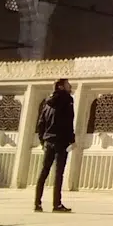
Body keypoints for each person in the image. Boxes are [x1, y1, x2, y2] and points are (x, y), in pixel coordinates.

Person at [34, 78, 75, 213]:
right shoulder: (67, 101)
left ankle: (37, 203)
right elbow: (68, 123)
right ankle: (56, 204)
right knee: (58, 173)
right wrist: (71, 140)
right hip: (61, 142)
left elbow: (41, 124)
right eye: (67, 84)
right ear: (61, 87)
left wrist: (43, 140)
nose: (70, 86)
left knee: (44, 171)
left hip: (48, 142)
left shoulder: (47, 104)